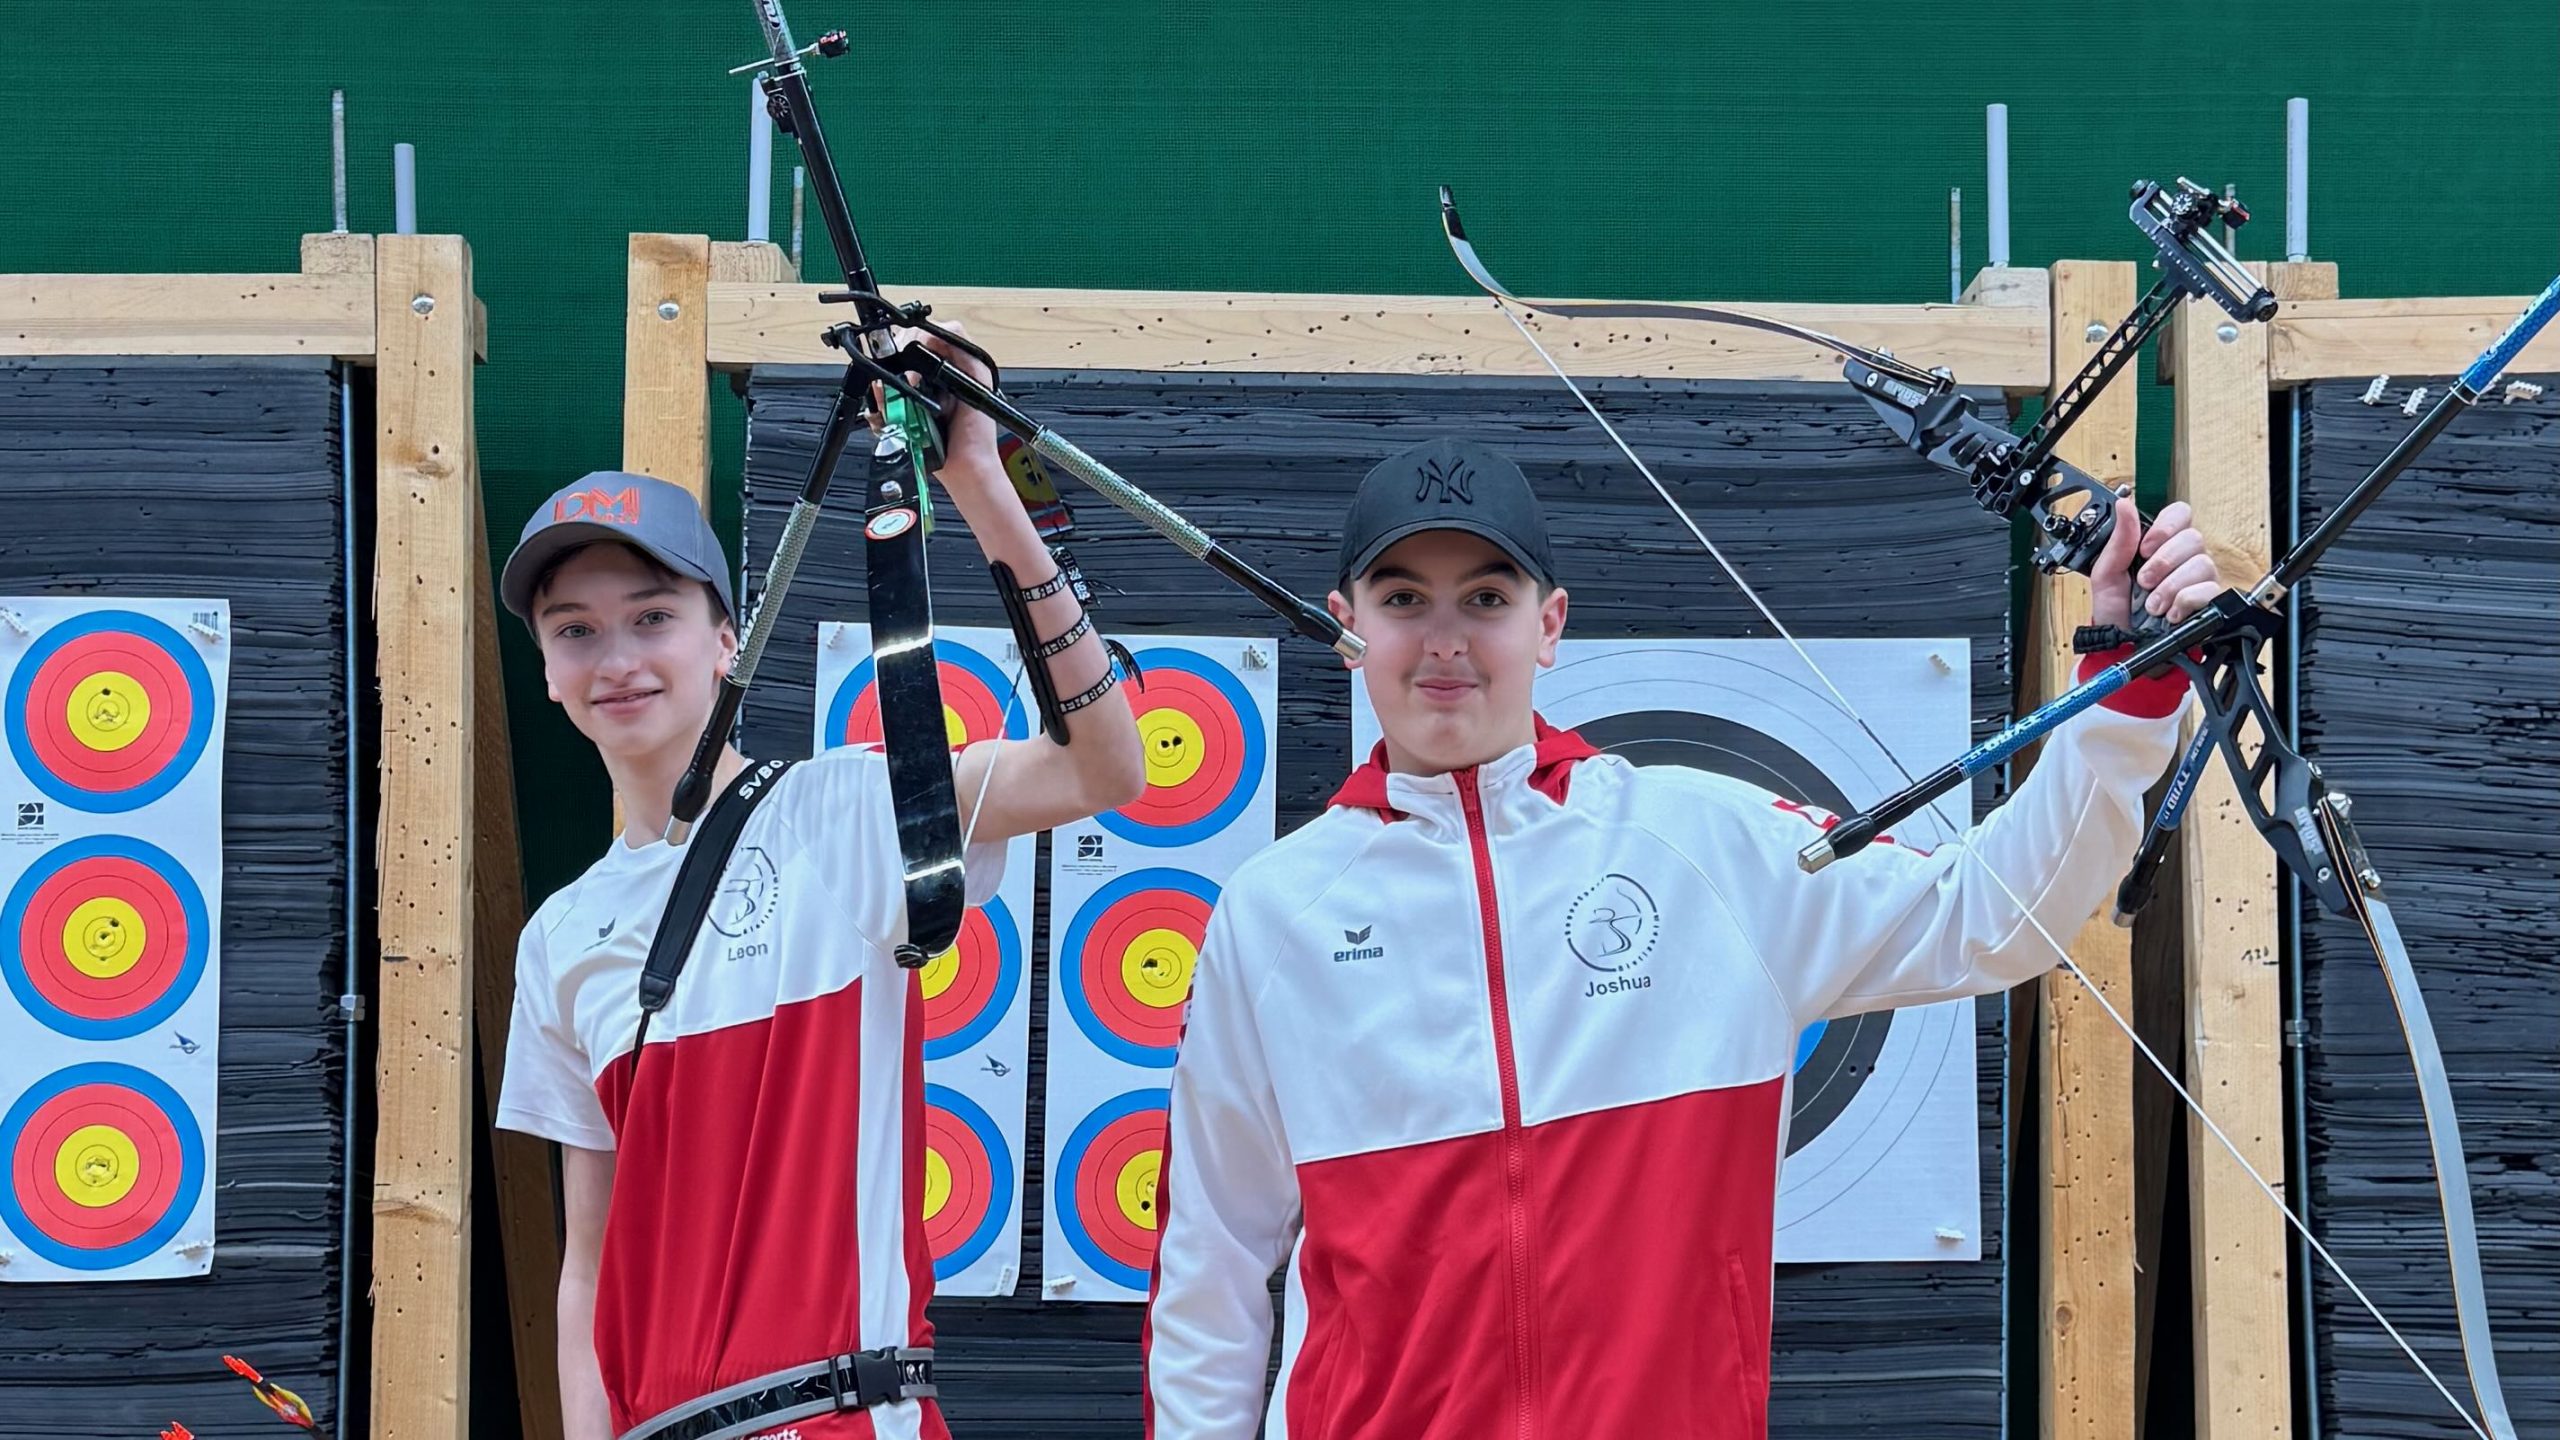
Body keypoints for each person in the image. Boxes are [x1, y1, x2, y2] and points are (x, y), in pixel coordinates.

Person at [1140, 436, 2220, 1439]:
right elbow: (1210, 1266)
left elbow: (1987, 914)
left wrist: (2132, 683)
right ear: (1348, 624)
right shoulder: (1273, 912)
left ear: (1550, 623)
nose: (1445, 639)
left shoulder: (1706, 842)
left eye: (1487, 597)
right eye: (1403, 598)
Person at [492, 332, 1146, 1440]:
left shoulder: (846, 812)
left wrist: (979, 480)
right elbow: (588, 1268)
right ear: (549, 674)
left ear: (725, 639)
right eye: (576, 632)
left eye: (653, 617)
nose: (618, 659)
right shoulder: (561, 936)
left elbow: (1102, 768)